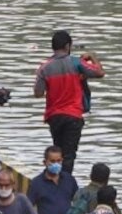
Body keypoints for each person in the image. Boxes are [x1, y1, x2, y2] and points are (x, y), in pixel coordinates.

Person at [33, 30, 104, 175]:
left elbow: (38, 93)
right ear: (67, 46)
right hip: (73, 116)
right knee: (69, 155)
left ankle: (56, 180)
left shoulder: (44, 67)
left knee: (57, 151)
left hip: (54, 117)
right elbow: (99, 72)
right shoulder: (77, 63)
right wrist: (92, 57)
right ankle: (65, 184)